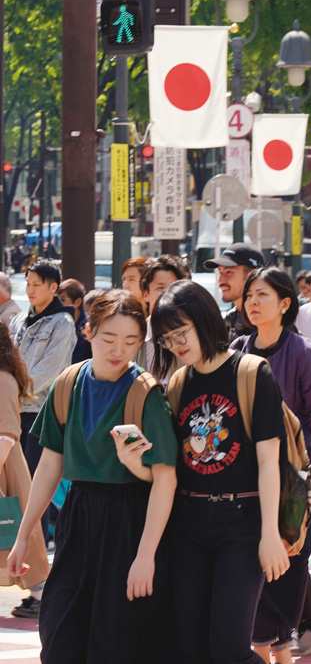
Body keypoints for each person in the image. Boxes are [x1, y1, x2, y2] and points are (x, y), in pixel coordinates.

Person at [8, 290, 178, 663]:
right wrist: (24, 536)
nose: (119, 350)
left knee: (115, 639)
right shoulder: (67, 384)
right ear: (88, 331)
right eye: (108, 339)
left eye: (132, 341)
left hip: (129, 521)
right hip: (78, 517)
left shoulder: (146, 394)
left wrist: (145, 555)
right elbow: (50, 466)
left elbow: (166, 478)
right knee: (60, 633)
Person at [150, 279, 289, 664]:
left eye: (180, 332)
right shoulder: (178, 383)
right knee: (192, 648)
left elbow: (268, 461)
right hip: (188, 523)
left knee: (228, 650)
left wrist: (270, 533)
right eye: (165, 339)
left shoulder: (251, 373)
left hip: (242, 524)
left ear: (203, 318)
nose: (175, 344)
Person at [232, 267, 311, 661]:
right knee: (254, 575)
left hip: (294, 483)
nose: (253, 302)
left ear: (285, 304)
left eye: (262, 295)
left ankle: (280, 651)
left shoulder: (304, 352)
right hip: (247, 477)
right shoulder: (239, 350)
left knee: (282, 574)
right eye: (250, 296)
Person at [9, 258, 77, 579]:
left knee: (36, 489)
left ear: (54, 287)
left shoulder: (62, 324)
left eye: (37, 284)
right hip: (11, 414)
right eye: (28, 283)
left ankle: (38, 574)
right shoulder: (20, 320)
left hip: (40, 416)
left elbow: (49, 372)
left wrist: (13, 392)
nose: (31, 289)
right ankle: (15, 566)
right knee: (11, 490)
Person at [0, 320, 50, 617]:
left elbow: (6, 432)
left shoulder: (3, 378)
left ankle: (42, 592)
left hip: (6, 463)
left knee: (21, 530)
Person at [136, 255, 188, 382]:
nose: (167, 294)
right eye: (160, 288)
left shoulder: (191, 336)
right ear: (145, 295)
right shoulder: (134, 337)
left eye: (172, 288)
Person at [204, 242, 265, 342]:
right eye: (220, 272)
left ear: (252, 275)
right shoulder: (228, 321)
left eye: (229, 272)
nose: (221, 280)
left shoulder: (272, 322)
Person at [58, 278, 92, 363]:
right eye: (56, 299)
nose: (58, 304)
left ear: (77, 302)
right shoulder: (57, 322)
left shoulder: (88, 324)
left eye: (62, 299)